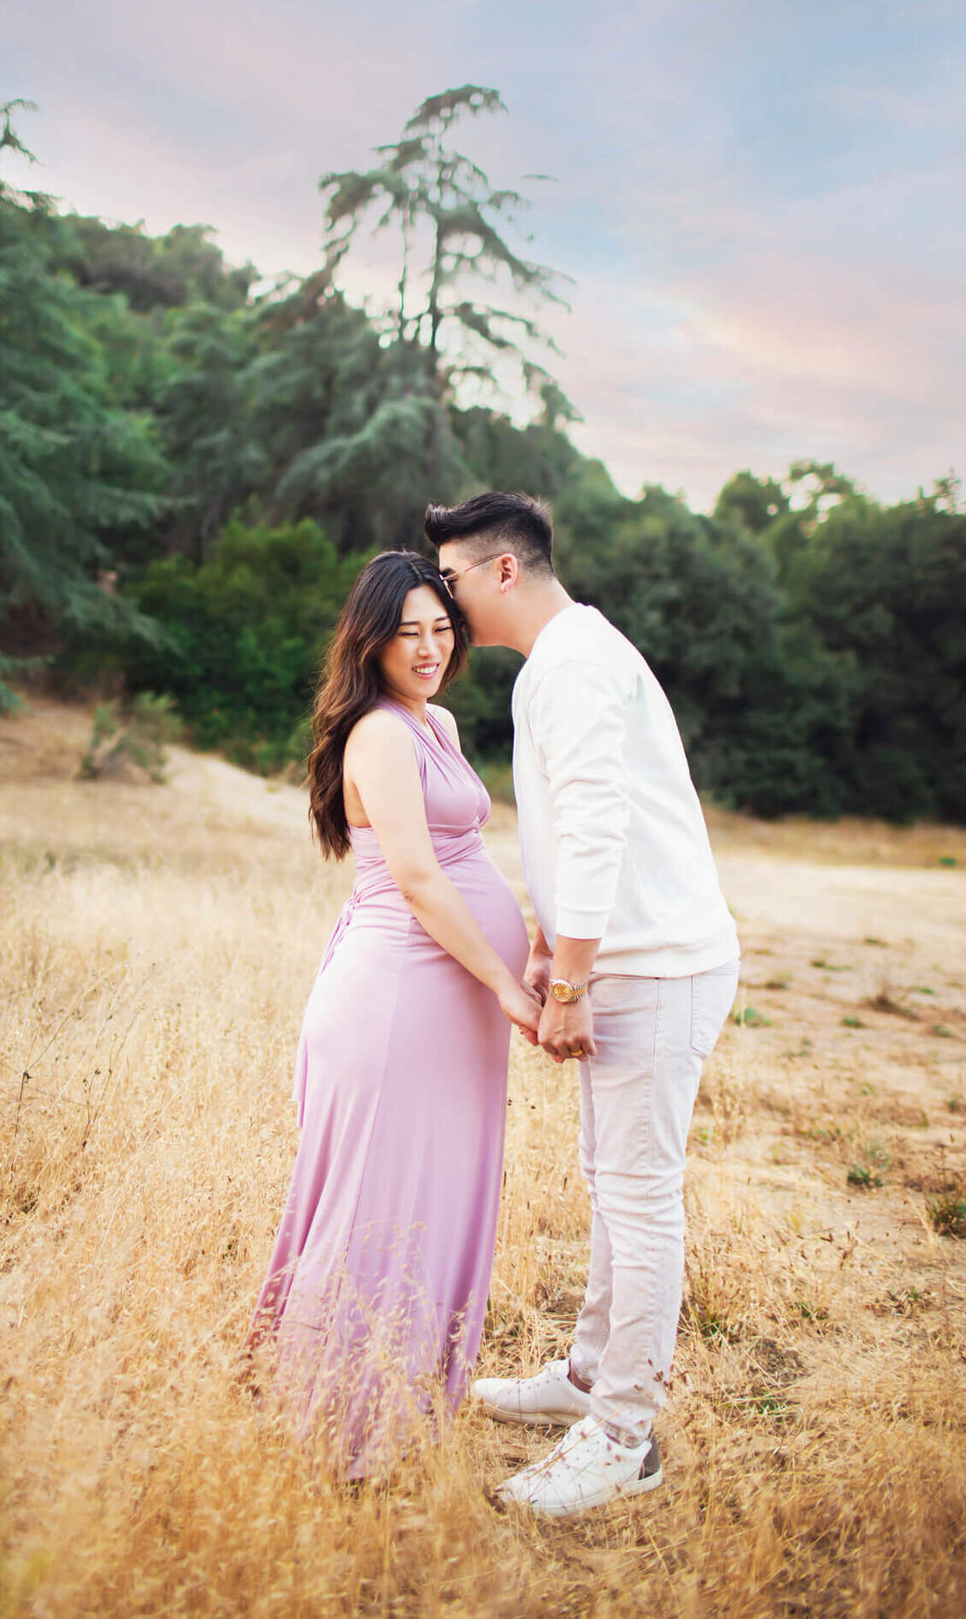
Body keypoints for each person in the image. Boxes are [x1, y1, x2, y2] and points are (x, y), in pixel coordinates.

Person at [425, 492, 740, 1519]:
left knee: (640, 1195)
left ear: (503, 572)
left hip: (655, 967)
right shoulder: (564, 660)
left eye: (454, 580)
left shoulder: (574, 664)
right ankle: (588, 1373)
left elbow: (598, 828)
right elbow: (575, 833)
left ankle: (623, 1435)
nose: (445, 600)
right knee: (613, 1182)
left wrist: (569, 983)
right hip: (628, 963)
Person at [246, 550, 542, 1478]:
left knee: (437, 1192)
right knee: (379, 1202)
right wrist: (503, 980)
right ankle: (334, 1426)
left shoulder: (436, 720)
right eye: (407, 631)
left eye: (441, 627)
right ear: (370, 640)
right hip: (401, 1002)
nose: (428, 646)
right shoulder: (377, 732)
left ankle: (400, 1401)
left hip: (446, 1006)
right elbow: (416, 876)